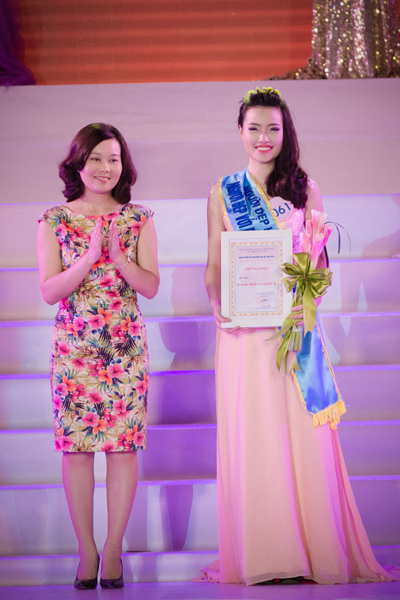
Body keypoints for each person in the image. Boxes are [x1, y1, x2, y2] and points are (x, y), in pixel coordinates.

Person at [203, 87, 399, 585]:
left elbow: (321, 266)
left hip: (294, 328)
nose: (263, 137)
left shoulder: (304, 187)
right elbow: (214, 265)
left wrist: (303, 296)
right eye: (254, 128)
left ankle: (312, 551)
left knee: (300, 436)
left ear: (284, 132)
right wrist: (217, 304)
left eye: (273, 128)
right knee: (254, 436)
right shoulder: (223, 192)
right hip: (244, 333)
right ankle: (265, 554)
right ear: (240, 132)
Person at [36, 123, 159, 589]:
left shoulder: (138, 218)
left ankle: (113, 550)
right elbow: (50, 291)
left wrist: (120, 259)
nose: (106, 168)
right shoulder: (54, 220)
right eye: (96, 159)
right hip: (75, 350)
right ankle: (86, 550)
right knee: (78, 451)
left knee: (124, 449)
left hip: (124, 348)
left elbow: (151, 286)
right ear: (78, 164)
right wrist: (88, 258)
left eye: (114, 159)